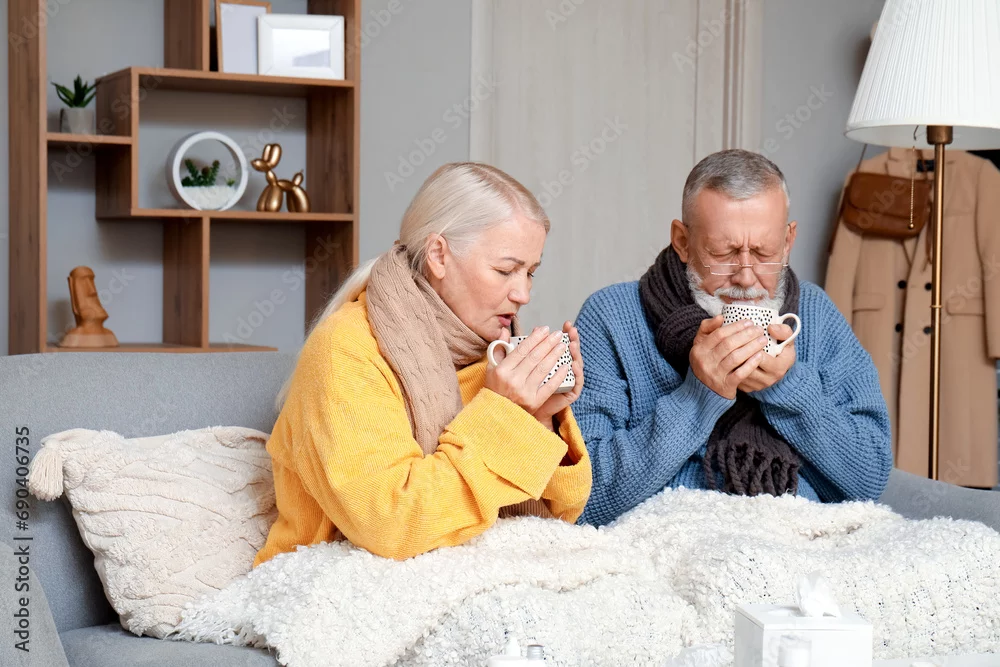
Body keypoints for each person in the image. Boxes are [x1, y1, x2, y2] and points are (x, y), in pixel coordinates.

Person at [254, 162, 592, 563]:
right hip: (333, 573)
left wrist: (539, 418)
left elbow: (560, 516)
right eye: (506, 270)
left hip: (469, 570)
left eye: (530, 272)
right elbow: (391, 524)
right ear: (438, 255)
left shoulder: (494, 349)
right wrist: (504, 414)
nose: (523, 294)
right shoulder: (343, 350)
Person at [573, 149, 892, 527]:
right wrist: (699, 396)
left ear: (788, 242)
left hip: (795, 539)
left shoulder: (816, 313)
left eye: (763, 252)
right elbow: (582, 496)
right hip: (669, 537)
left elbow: (868, 480)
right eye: (723, 253)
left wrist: (788, 388)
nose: (745, 276)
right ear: (682, 241)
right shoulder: (611, 316)